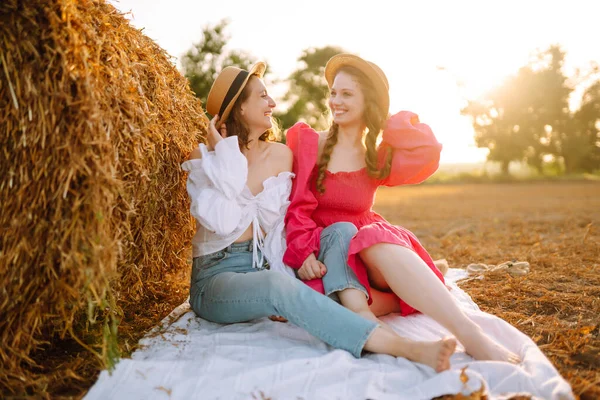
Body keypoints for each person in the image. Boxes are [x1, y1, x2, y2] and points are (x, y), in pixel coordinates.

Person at [181, 62, 457, 372]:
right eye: (262, 96)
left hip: (265, 262)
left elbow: (286, 220)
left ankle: (372, 302)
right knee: (275, 287)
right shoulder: (205, 158)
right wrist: (227, 154)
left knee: (340, 229)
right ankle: (400, 346)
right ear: (240, 108)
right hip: (216, 277)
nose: (272, 103)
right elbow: (224, 220)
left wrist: (298, 262)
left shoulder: (281, 154)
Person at [283, 54, 520, 363]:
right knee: (327, 305)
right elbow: (298, 208)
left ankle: (471, 335)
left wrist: (385, 120)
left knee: (370, 236)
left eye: (347, 94)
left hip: (371, 253)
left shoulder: (378, 156)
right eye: (333, 92)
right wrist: (304, 254)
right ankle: (401, 294)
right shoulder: (310, 142)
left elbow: (427, 151)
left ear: (369, 101)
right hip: (330, 253)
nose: (335, 101)